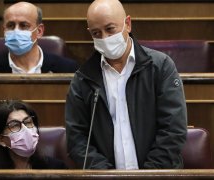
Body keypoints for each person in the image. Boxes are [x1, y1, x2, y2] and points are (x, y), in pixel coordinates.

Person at [65, 0, 187, 169]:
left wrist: (149, 175)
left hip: (159, 175)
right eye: (96, 33)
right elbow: (77, 140)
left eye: (110, 29)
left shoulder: (160, 66)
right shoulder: (83, 79)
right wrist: (106, 175)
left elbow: (173, 130)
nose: (104, 38)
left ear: (127, 24)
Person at [0, 2, 78, 73]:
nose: (16, 31)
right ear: (4, 30)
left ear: (39, 31)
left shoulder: (67, 69)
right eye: (10, 26)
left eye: (24, 26)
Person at [0, 100, 67, 169]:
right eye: (14, 125)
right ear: (0, 139)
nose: (25, 130)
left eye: (28, 122)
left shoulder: (57, 168)